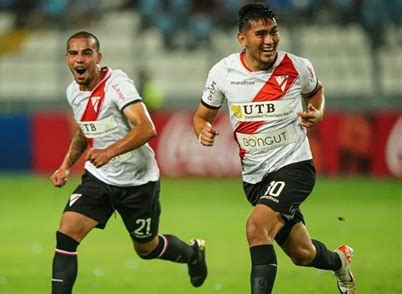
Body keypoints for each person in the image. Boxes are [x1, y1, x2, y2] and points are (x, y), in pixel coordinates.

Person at [192, 3, 355, 294]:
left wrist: (316, 111)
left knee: (256, 228)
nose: (269, 40)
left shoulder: (297, 66)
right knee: (302, 254)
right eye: (261, 34)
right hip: (255, 179)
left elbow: (316, 92)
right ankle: (340, 261)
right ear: (242, 38)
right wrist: (201, 130)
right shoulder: (223, 73)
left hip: (295, 167)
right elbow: (201, 116)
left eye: (274, 32)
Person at [50, 31, 207, 293]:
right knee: (66, 235)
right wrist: (66, 166)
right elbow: (83, 129)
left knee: (146, 248)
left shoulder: (118, 87)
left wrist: (109, 151)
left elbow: (147, 128)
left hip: (137, 182)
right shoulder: (73, 92)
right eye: (74, 53)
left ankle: (192, 253)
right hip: (99, 178)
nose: (80, 59)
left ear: (98, 57)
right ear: (67, 58)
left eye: (87, 53)